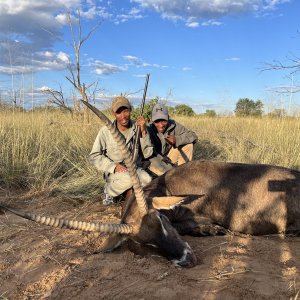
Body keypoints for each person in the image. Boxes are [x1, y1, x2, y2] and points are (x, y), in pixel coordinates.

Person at [89, 96, 152, 205]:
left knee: (148, 180)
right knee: (130, 179)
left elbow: (148, 153)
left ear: (130, 110)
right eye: (119, 112)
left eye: (125, 111)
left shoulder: (138, 127)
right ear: (113, 113)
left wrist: (143, 132)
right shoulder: (105, 131)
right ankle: (108, 191)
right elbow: (94, 156)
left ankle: (126, 194)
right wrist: (114, 166)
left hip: (134, 167)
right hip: (115, 171)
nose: (123, 116)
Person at [148, 103, 198, 176]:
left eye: (164, 121)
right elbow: (147, 154)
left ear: (168, 118)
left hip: (168, 158)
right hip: (155, 162)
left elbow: (193, 135)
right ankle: (176, 174)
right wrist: (162, 160)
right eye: (157, 121)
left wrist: (177, 140)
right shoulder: (147, 128)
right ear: (152, 120)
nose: (161, 125)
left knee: (188, 146)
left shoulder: (173, 124)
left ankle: (183, 173)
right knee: (169, 175)